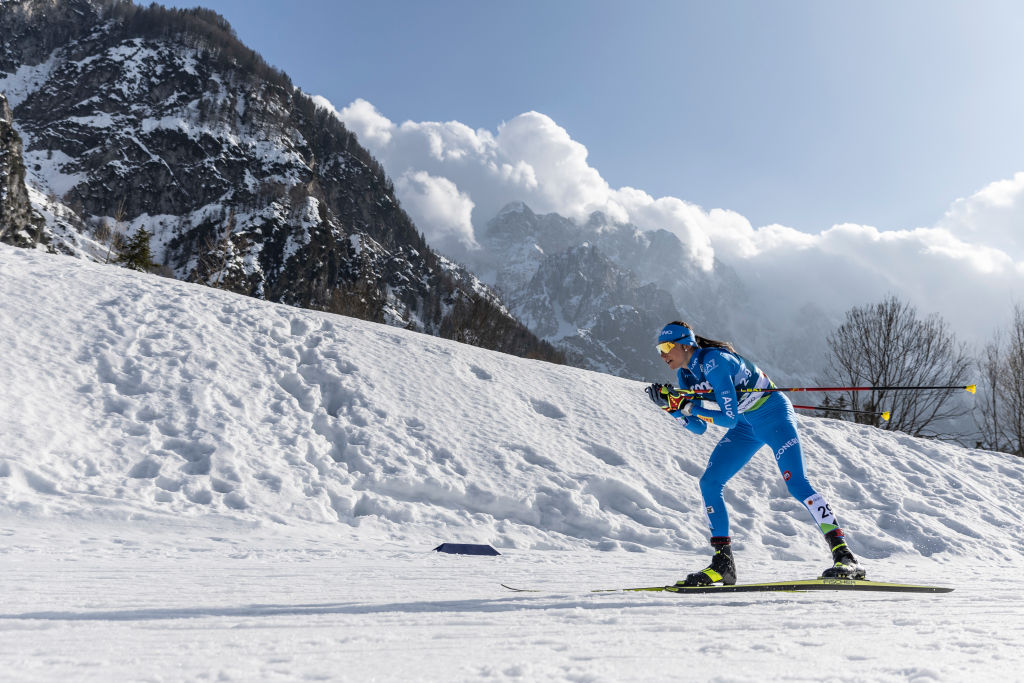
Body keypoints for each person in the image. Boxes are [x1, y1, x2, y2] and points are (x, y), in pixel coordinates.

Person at [645, 321, 866, 586]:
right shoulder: (685, 375)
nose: (662, 354)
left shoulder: (714, 361)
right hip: (746, 425)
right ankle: (723, 564)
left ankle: (845, 555)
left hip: (772, 415)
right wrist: (671, 409)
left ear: (685, 344)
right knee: (710, 483)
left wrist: (689, 407)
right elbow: (699, 428)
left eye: (666, 346)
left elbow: (726, 419)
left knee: (796, 483)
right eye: (659, 348)